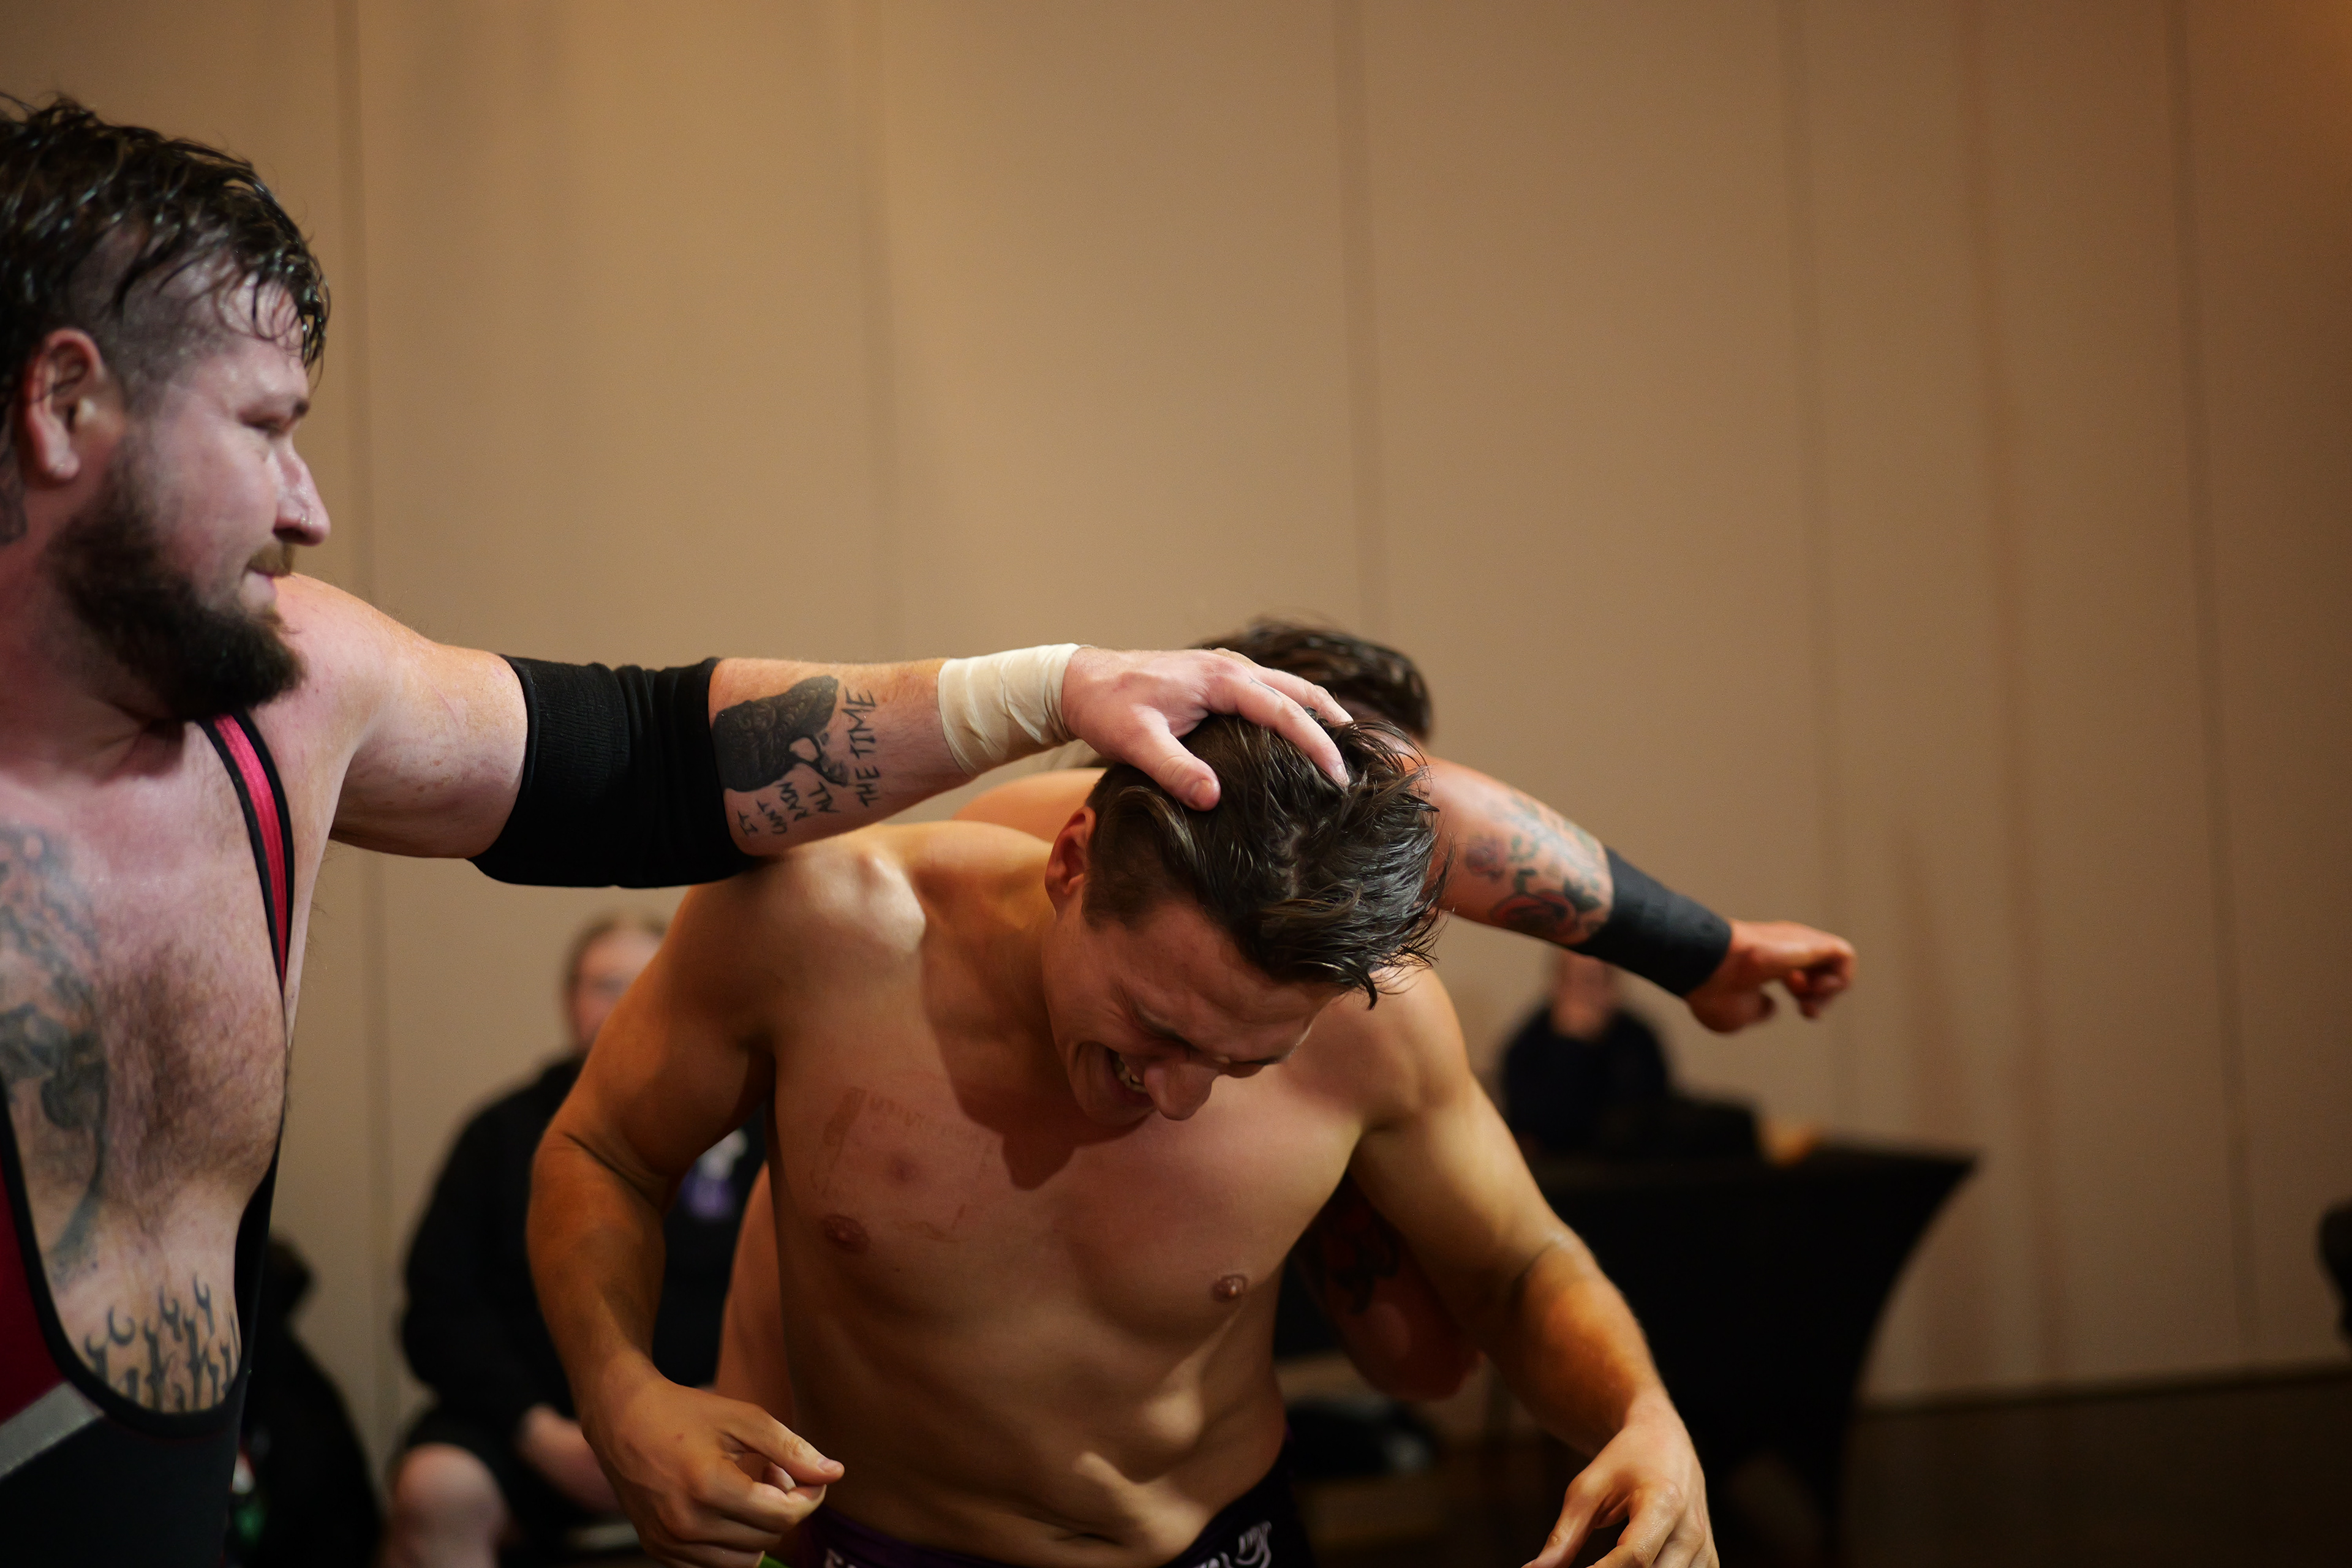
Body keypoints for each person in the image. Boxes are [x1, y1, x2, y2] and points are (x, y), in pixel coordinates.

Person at [0, 97, 1357, 1567]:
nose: (308, 506)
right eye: (265, 428)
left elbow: (650, 754)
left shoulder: (296, 688)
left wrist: (1054, 687)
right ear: (65, 404)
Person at [532, 717, 1722, 1568]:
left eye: (1246, 1061)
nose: (1183, 1095)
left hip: (1223, 1545)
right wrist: (621, 1393)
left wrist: (1644, 1416)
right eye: (1158, 1026)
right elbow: (605, 1152)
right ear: (1072, 862)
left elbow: (1517, 1265)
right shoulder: (816, 932)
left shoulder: (1381, 1028)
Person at [386, 913, 761, 1568]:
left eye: (647, 983)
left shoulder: (745, 1128)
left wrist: (703, 1413)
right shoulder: (501, 1134)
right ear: (570, 1001)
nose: (624, 1004)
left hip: (711, 1421)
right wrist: (542, 1434)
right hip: (537, 1434)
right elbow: (439, 1311)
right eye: (605, 985)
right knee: (437, 1487)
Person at [1502, 952, 1759, 1164]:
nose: (1590, 994)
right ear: (1558, 984)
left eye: (1600, 981)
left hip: (1632, 1175)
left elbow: (1648, 1112)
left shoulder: (1636, 1035)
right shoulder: (1529, 1044)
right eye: (1581, 981)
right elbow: (1541, 1125)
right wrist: (1572, 1047)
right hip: (1565, 1178)